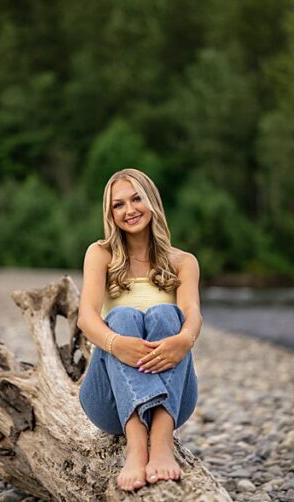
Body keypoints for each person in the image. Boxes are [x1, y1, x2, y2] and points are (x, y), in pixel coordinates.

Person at [77, 168, 201, 492]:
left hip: (174, 402)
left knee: (165, 314)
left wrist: (183, 340)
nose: (129, 210)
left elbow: (193, 314)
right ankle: (136, 444)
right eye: (118, 205)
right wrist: (117, 344)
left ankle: (160, 441)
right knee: (121, 318)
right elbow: (86, 318)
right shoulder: (101, 254)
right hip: (109, 402)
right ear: (110, 213)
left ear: (152, 202)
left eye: (136, 199)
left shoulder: (183, 261)